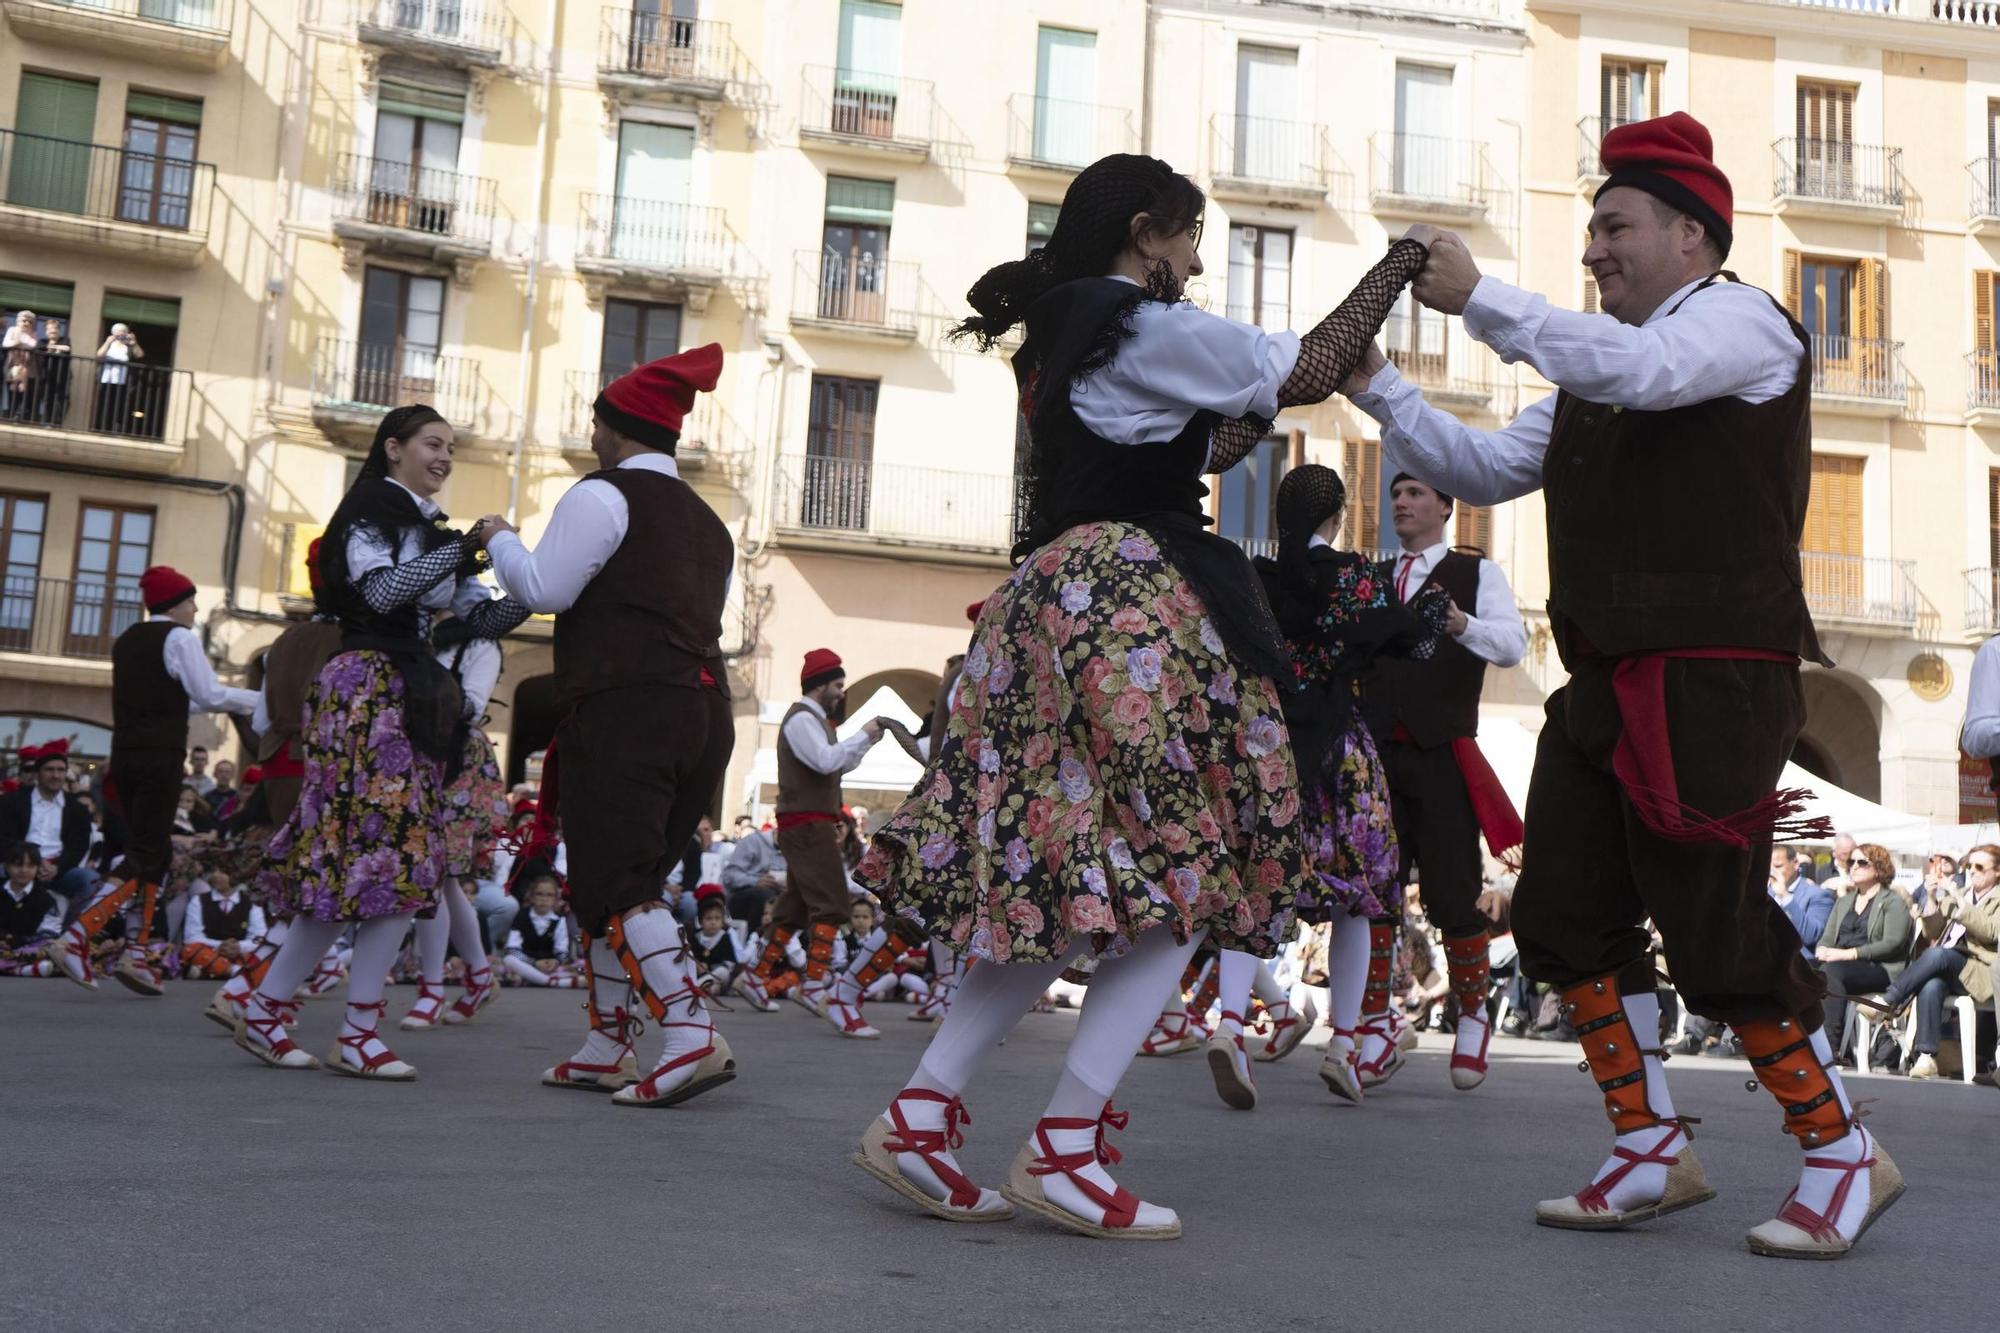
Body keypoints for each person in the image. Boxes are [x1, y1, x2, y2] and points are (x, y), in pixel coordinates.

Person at [1343, 113, 1900, 1257]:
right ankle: (1648, 1141)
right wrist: (1379, 384)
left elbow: (1647, 375)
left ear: (1691, 235)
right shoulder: (1593, 370)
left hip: (1712, 678)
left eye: (1614, 226)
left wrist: (1481, 299)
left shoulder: (1739, 324)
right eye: (1590, 230)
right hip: (1604, 678)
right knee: (1558, 913)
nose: (1592, 250)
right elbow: (1483, 468)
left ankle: (1842, 1150)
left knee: (1711, 929)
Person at [849, 153, 1425, 1237]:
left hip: (1053, 596)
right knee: (1187, 875)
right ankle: (1064, 1142)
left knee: (1060, 875)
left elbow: (1205, 435)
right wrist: (1399, 260)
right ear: (1148, 230)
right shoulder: (1139, 321)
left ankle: (921, 1113)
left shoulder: (1071, 328)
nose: (1197, 262)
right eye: (1191, 239)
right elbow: (1305, 370)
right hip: (1126, 605)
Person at [233, 404, 528, 1078]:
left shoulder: (423, 524)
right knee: (382, 860)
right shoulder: (370, 506)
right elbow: (386, 590)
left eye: (451, 446)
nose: (445, 456)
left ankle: (282, 1010)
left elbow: (485, 617)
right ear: (393, 447)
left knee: (382, 864)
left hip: (403, 695)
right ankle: (339, 1025)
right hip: (370, 686)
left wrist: (548, 587)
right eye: (433, 443)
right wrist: (467, 546)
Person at [480, 345, 737, 1107]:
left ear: (611, 426)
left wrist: (498, 536)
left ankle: (690, 1033)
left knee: (620, 877)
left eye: (595, 423)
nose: (592, 436)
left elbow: (543, 587)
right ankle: (606, 1043)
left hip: (628, 708)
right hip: (702, 708)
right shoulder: (711, 524)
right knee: (616, 876)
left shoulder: (600, 496)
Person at [1209, 463, 1432, 1110]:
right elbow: (1411, 642)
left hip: (1270, 748)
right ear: (1336, 515)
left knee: (1247, 890)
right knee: (1358, 896)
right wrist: (1428, 616)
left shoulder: (1257, 578)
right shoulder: (1351, 578)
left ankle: (1228, 1025)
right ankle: (1345, 1043)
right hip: (1339, 750)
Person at [1345, 472, 1526, 1092]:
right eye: (1395, 493)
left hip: (1443, 754)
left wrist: (1460, 625)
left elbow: (1512, 646)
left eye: (1416, 492)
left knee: (1453, 898)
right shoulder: (1370, 578)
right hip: (1376, 759)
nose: (1401, 501)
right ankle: (1375, 1025)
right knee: (1373, 896)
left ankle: (1472, 1015)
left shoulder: (1478, 576)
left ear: (1446, 508)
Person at [44, 565, 260, 995]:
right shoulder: (179, 638)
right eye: (190, 600)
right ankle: (78, 937)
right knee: (145, 853)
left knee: (153, 852)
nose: (196, 608)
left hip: (123, 755)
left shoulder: (127, 642)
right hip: (159, 757)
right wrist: (261, 698)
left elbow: (178, 702)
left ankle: (138, 953)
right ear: (175, 603)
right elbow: (210, 695)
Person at [737, 648, 893, 1030]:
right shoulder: (803, 719)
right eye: (838, 685)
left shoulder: (816, 720)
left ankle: (755, 977)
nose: (842, 692)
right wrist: (862, 735)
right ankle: (816, 984)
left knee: (796, 906)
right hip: (807, 826)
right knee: (833, 902)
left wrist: (866, 741)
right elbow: (826, 761)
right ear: (821, 684)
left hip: (810, 825)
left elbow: (836, 762)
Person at [396, 609, 510, 1031]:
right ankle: (478, 976)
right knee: (439, 880)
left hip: (457, 762)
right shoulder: (424, 642)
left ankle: (432, 989)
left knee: (435, 877)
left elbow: (472, 707)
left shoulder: (480, 646)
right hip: (424, 756)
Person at [1869, 844, 1999, 1078]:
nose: (1972, 872)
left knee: (1938, 955)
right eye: (1969, 866)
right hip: (1950, 966)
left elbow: (1990, 932)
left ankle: (1889, 1000)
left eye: (1980, 867)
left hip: (1980, 970)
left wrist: (1960, 900)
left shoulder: (1990, 897)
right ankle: (1926, 1055)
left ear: (1997, 871)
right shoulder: (1963, 893)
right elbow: (1932, 931)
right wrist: (1930, 897)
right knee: (1932, 984)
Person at [1814, 842, 1915, 1058]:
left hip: (1878, 968)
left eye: (1862, 862)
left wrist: (1849, 954)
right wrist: (1822, 950)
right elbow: (1827, 937)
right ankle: (1797, 1040)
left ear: (1879, 868)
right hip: (1841, 963)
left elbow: (1892, 943)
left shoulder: (1893, 902)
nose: (1854, 866)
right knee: (1800, 968)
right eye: (1851, 862)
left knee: (1832, 972)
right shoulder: (1845, 901)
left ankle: (1828, 1048)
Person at [0, 740, 98, 917]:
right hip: (16, 866)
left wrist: (58, 867)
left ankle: (68, 936)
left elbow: (79, 846)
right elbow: (3, 837)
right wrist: (30, 861)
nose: (56, 775)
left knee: (90, 881)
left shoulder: (77, 809)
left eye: (61, 770)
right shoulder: (12, 801)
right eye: (49, 769)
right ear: (38, 773)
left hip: (57, 872)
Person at [500, 872, 581, 988]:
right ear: (532, 897)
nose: (544, 899)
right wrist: (534, 962)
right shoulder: (522, 915)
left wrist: (556, 962)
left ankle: (531, 979)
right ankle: (553, 982)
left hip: (550, 965)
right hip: (527, 962)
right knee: (509, 960)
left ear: (555, 899)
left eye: (549, 895)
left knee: (580, 966)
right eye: (539, 894)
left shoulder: (559, 920)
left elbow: (561, 951)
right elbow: (512, 949)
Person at [180, 870, 267, 979]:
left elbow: (259, 938)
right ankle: (234, 971)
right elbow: (192, 938)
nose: (215, 875)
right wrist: (220, 945)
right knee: (190, 949)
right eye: (214, 871)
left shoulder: (251, 903)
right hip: (209, 951)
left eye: (222, 872)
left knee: (262, 955)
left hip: (239, 954)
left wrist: (239, 947)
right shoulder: (198, 900)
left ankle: (213, 970)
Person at [1, 839, 62, 976]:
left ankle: (16, 967)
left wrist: (19, 941)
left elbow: (50, 932)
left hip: (28, 948)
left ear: (37, 868)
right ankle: (23, 970)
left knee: (52, 949)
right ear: (7, 866)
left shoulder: (45, 899)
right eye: (17, 865)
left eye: (30, 866)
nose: (23, 870)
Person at [1769, 846, 1833, 957]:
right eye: (1768, 867)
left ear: (1795, 864)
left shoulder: (1817, 895)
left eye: (1778, 866)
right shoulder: (1766, 892)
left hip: (1797, 963)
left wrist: (1785, 897)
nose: (1772, 872)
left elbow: (1811, 935)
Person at [94, 322, 143, 434]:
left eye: (123, 332)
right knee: (105, 404)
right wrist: (107, 342)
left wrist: (134, 343)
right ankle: (102, 427)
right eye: (118, 332)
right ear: (113, 333)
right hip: (106, 380)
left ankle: (116, 428)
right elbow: (99, 355)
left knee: (120, 406)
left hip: (123, 382)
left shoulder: (128, 346)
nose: (121, 334)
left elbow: (139, 355)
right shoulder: (110, 344)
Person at [35, 316, 70, 425]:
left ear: (59, 330)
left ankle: (56, 422)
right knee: (47, 399)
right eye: (49, 329)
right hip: (46, 376)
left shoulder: (65, 339)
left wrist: (51, 347)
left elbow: (67, 348)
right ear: (46, 331)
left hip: (61, 376)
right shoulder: (42, 341)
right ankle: (47, 421)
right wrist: (57, 348)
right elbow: (38, 348)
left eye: (54, 328)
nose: (52, 330)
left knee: (62, 401)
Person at [3, 308, 38, 420]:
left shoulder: (33, 334)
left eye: (30, 322)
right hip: (12, 366)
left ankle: (19, 415)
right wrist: (20, 343)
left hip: (26, 369)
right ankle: (11, 413)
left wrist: (17, 343)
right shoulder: (12, 330)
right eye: (24, 320)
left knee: (23, 392)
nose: (26, 323)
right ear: (18, 321)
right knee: (12, 390)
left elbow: (33, 346)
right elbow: (6, 344)